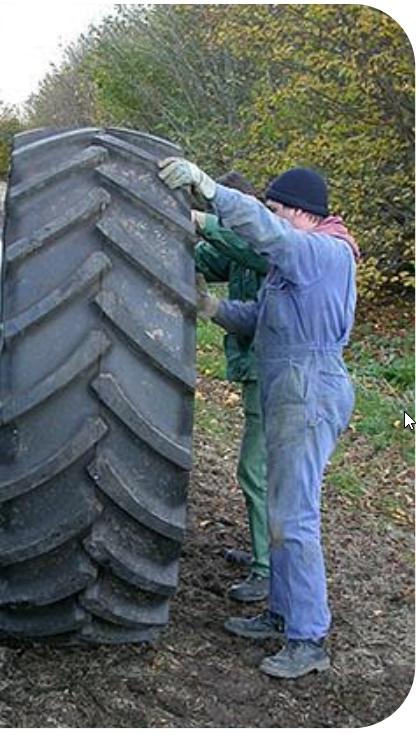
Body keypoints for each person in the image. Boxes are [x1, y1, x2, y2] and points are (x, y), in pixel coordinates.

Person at [160, 159, 358, 679]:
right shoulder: (297, 264)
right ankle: (280, 613)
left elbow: (270, 236)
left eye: (275, 209)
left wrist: (209, 194)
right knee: (279, 509)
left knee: (295, 517)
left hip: (309, 386)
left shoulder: (325, 252)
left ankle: (308, 637)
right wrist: (209, 306)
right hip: (287, 383)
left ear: (299, 212)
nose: (271, 218)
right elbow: (261, 321)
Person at [194, 172, 270, 603]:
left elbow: (250, 250)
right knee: (258, 471)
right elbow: (207, 258)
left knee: (257, 472)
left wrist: (200, 219)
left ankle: (268, 569)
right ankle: (264, 551)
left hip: (271, 373)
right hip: (256, 371)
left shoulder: (265, 244)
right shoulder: (238, 247)